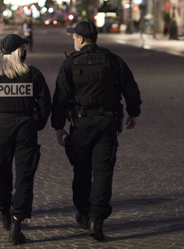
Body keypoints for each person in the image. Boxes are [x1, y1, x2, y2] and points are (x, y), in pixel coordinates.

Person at [52, 21, 142, 241]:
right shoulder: (113, 61)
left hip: (80, 125)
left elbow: (60, 97)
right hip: (107, 124)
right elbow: (130, 88)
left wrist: (58, 126)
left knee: (81, 171)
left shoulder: (70, 63)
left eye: (74, 37)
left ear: (81, 39)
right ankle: (96, 219)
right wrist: (133, 112)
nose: (73, 39)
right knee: (103, 172)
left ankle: (84, 212)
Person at [0, 34, 51, 245]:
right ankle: (17, 220)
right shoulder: (33, 74)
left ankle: (3, 212)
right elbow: (45, 104)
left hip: (4, 126)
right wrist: (36, 122)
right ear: (20, 51)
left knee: (0, 169)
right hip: (26, 127)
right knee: (25, 174)